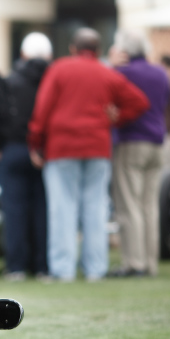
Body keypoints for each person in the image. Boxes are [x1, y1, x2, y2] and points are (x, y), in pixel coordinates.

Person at [29, 28, 149, 282]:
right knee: (95, 209)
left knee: (63, 208)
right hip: (97, 145)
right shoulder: (106, 72)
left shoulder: (59, 69)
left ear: (72, 48)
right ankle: (96, 269)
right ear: (98, 50)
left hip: (62, 147)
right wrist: (116, 118)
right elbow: (139, 102)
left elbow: (42, 109)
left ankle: (64, 270)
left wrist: (35, 143)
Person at [107, 30, 170, 278]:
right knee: (149, 205)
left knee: (128, 204)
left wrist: (111, 65)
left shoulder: (121, 73)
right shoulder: (160, 72)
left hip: (130, 141)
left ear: (123, 51)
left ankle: (135, 263)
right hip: (157, 142)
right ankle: (150, 263)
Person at [0, 32, 53, 281]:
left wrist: (0, 145)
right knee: (43, 209)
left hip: (13, 148)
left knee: (15, 209)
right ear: (49, 55)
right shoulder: (53, 79)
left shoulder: (11, 80)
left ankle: (17, 266)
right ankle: (42, 265)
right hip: (45, 151)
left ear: (22, 54)